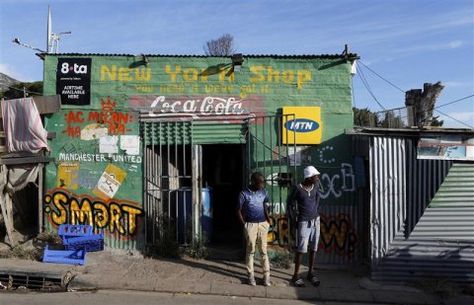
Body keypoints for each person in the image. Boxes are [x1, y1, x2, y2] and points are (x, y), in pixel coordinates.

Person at [287, 165, 321, 287]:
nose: (317, 177)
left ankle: (310, 273)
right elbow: (289, 203)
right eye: (315, 176)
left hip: (315, 220)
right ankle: (295, 276)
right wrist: (293, 219)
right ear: (309, 177)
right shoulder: (297, 188)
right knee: (301, 249)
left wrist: (315, 213)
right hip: (303, 222)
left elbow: (317, 199)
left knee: (314, 248)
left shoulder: (315, 186)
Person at [237, 172, 271, 287]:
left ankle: (266, 276)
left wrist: (268, 219)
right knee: (250, 250)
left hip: (263, 224)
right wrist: (244, 225)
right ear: (253, 182)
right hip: (250, 225)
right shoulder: (244, 193)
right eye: (259, 183)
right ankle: (250, 275)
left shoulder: (264, 192)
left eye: (262, 183)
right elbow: (238, 210)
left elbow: (265, 205)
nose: (262, 185)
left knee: (263, 251)